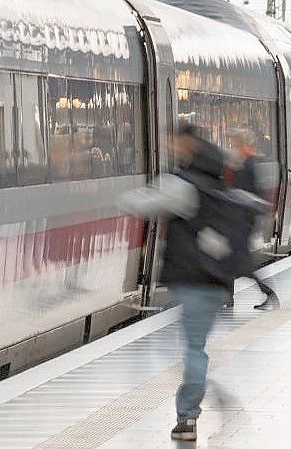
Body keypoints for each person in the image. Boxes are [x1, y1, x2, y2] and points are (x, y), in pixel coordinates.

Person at [118, 123, 256, 441]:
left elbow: (141, 204)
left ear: (189, 151)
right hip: (217, 282)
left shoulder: (184, 186)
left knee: (190, 349)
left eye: (177, 146)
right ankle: (206, 392)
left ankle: (188, 416)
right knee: (192, 347)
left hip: (192, 280)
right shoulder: (221, 186)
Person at [224, 128, 279, 311]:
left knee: (240, 261)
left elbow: (247, 190)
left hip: (243, 218)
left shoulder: (246, 162)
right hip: (240, 217)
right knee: (232, 258)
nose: (231, 143)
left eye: (233, 140)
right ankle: (227, 298)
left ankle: (268, 293)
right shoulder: (244, 160)